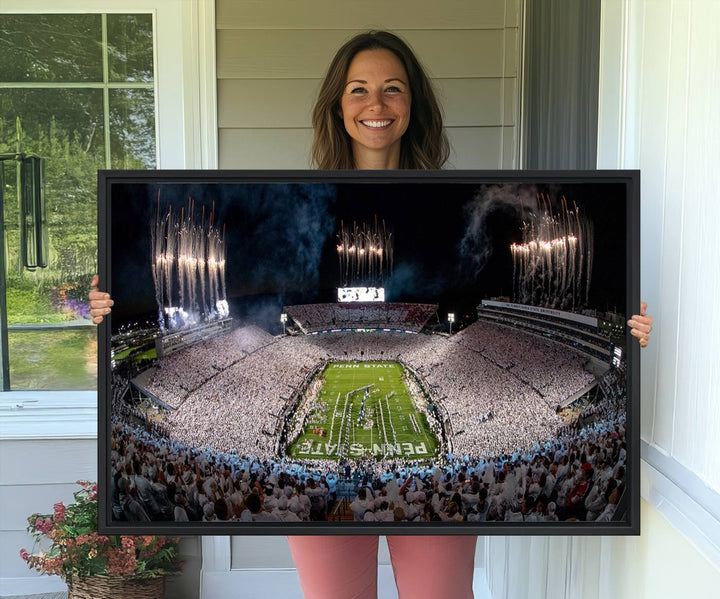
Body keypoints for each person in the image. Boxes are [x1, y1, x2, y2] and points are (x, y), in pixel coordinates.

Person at [89, 30, 653, 599]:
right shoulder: (300, 188)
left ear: (413, 105)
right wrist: (106, 311)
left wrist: (626, 335)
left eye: (392, 89)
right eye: (358, 90)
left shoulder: (457, 192)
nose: (376, 105)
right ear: (338, 105)